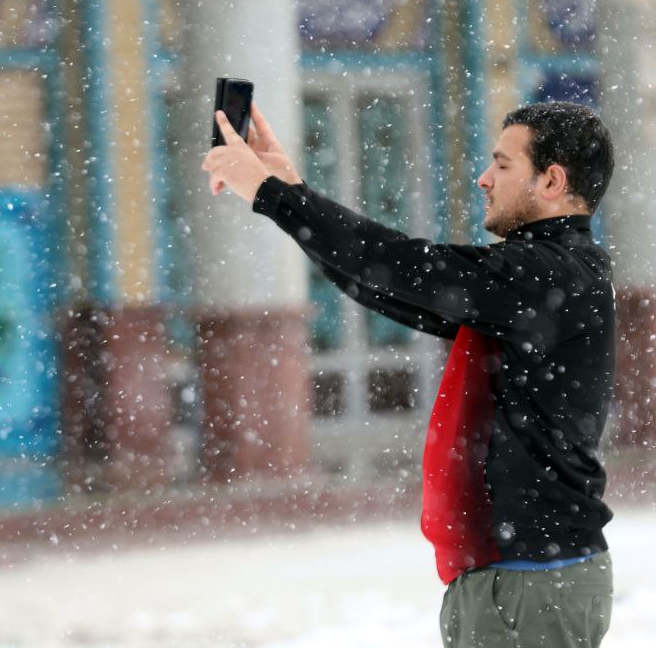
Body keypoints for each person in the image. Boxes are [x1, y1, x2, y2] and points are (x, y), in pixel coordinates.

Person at [202, 99, 617, 647]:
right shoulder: (540, 278)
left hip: (531, 584)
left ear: (552, 180)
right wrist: (289, 198)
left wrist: (278, 198)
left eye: (503, 164)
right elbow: (386, 284)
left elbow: (405, 265)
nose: (484, 178)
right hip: (518, 579)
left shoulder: (550, 275)